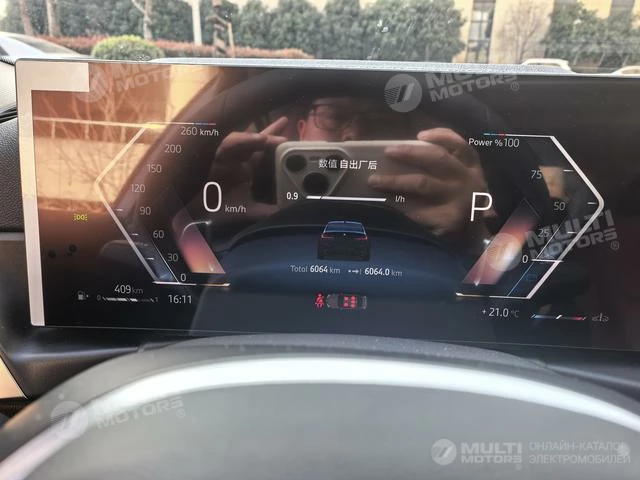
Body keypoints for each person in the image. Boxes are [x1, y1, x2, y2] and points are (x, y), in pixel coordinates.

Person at [209, 96, 492, 252]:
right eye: (334, 116)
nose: (354, 133)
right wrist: (208, 206)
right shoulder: (242, 191)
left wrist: (471, 228)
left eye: (379, 121)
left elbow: (490, 271)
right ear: (302, 131)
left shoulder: (439, 200)